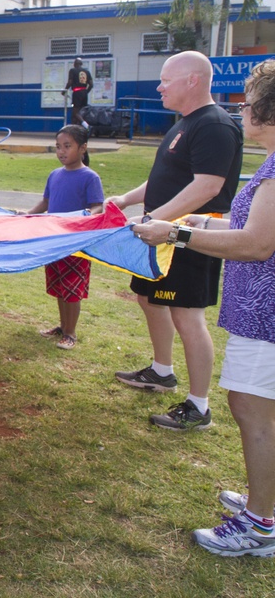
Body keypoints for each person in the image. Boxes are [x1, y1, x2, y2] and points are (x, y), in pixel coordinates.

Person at [132, 60, 275, 556]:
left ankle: (259, 524)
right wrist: (184, 221)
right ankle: (263, 503)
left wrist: (176, 229)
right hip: (251, 304)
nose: (243, 109)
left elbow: (254, 239)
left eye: (252, 101)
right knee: (253, 406)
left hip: (262, 312)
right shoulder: (262, 160)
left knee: (251, 406)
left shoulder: (219, 128)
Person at [106, 50, 243, 431]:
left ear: (192, 81)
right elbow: (165, 177)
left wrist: (156, 219)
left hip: (189, 238)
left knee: (187, 316)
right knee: (148, 297)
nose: (159, 86)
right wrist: (126, 200)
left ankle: (199, 407)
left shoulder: (214, 125)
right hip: (160, 234)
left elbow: (207, 186)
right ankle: (161, 371)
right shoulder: (183, 124)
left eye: (166, 79)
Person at [20, 125, 103, 350]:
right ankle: (62, 326)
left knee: (73, 289)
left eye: (67, 146)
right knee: (60, 286)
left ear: (83, 148)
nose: (62, 152)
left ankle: (71, 332)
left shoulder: (90, 177)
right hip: (54, 241)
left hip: (75, 243)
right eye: (58, 147)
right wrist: (26, 215)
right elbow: (46, 203)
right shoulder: (54, 175)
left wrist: (85, 216)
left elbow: (98, 207)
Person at [63, 58, 93, 125]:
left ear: (74, 64)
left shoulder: (72, 70)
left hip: (77, 92)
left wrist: (65, 90)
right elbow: (91, 84)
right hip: (84, 92)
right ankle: (78, 128)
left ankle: (85, 125)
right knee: (82, 111)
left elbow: (70, 82)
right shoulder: (87, 72)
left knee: (75, 112)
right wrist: (86, 92)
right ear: (81, 64)